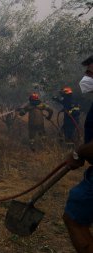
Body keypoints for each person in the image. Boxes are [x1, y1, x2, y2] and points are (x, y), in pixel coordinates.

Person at [63, 55, 93, 253]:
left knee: (74, 216)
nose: (86, 77)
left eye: (90, 73)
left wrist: (78, 152)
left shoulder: (72, 100)